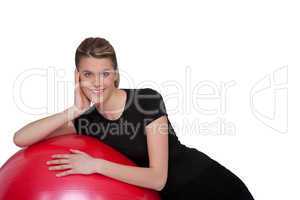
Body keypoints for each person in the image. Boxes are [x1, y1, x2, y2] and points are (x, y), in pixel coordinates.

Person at [13, 37, 255, 200]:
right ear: (77, 76)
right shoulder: (86, 122)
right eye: (88, 74)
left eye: (104, 73)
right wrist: (74, 110)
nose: (97, 83)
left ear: (115, 74)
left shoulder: (147, 101)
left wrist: (95, 165)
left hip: (209, 186)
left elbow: (158, 178)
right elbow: (21, 138)